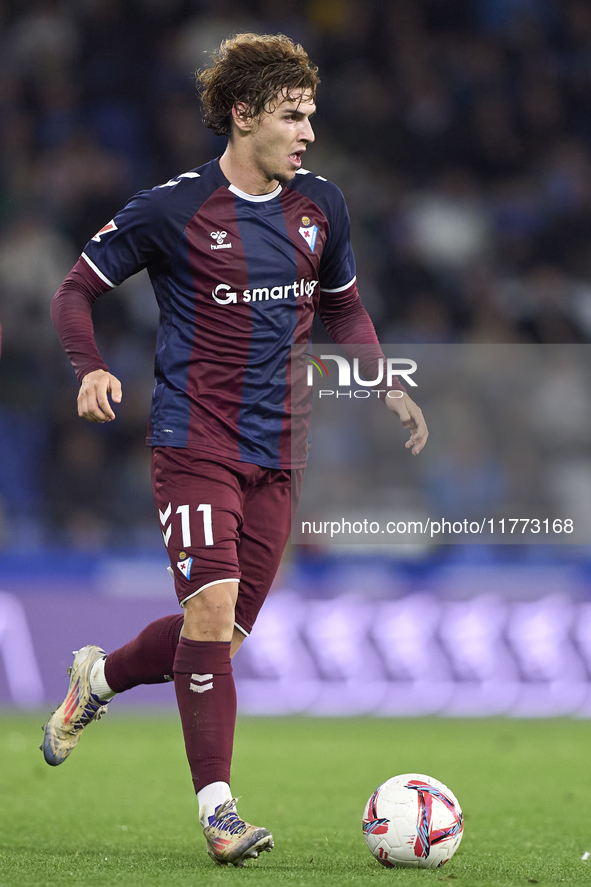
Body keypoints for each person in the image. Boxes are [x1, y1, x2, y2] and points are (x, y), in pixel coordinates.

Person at [42, 33, 428, 867]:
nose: (308, 133)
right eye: (293, 116)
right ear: (242, 115)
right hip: (194, 440)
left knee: (215, 638)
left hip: (281, 448)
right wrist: (91, 367)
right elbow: (74, 290)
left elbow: (344, 307)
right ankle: (220, 813)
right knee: (210, 618)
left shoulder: (321, 205)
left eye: (312, 116)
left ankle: (97, 679)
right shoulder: (170, 209)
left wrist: (381, 377)